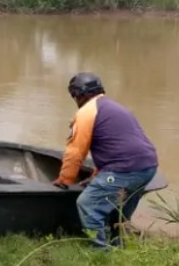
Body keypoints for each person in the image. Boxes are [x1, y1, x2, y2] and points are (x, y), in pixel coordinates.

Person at [52, 72, 158, 248]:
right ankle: (118, 245)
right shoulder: (116, 108)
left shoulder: (86, 113)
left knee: (87, 203)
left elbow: (75, 152)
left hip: (124, 169)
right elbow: (117, 147)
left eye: (74, 95)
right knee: (119, 213)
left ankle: (101, 252)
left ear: (78, 94)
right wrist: (96, 176)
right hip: (148, 166)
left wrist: (65, 180)